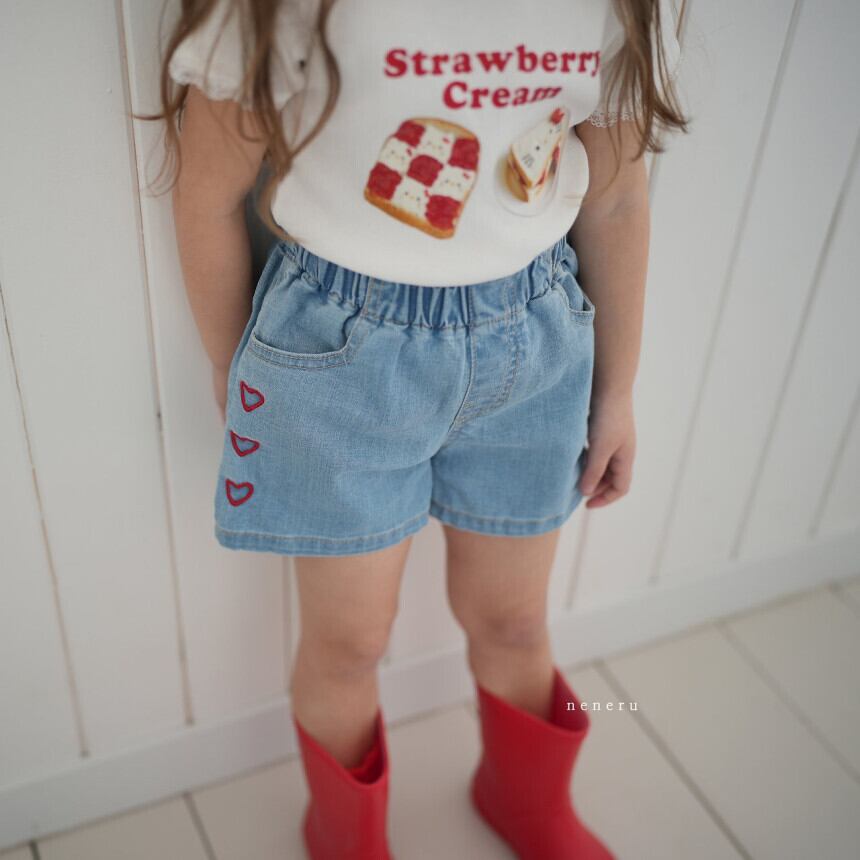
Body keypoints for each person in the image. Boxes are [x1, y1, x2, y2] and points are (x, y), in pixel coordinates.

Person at [149, 0, 687, 856]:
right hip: (340, 355)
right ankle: (346, 838)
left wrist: (617, 390)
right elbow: (210, 193)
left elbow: (618, 198)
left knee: (514, 622)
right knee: (350, 642)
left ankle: (526, 801)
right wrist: (231, 363)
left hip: (535, 342)